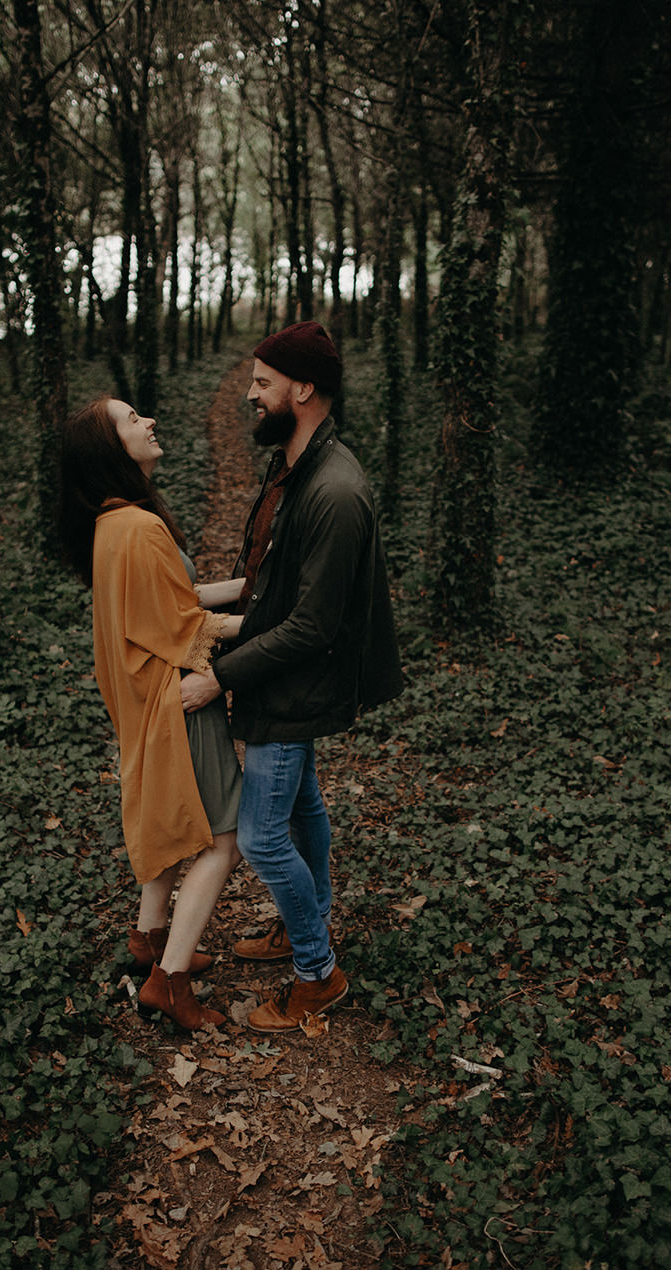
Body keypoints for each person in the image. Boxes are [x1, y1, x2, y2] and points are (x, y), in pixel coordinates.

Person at [182, 321, 404, 1034]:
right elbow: (269, 581)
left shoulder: (336, 492)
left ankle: (317, 972)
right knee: (302, 807)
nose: (249, 395)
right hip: (285, 675)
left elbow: (313, 625)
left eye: (262, 383)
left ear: (304, 389)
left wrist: (219, 678)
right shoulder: (296, 465)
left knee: (261, 838)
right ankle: (301, 918)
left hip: (299, 683)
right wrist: (194, 601)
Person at [58, 396, 245, 1031]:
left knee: (169, 821)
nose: (150, 423)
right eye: (132, 420)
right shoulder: (140, 528)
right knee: (226, 838)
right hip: (177, 702)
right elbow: (186, 626)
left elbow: (174, 598)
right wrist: (292, 623)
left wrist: (253, 589)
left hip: (146, 700)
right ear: (111, 449)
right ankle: (169, 980)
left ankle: (150, 939)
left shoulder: (113, 525)